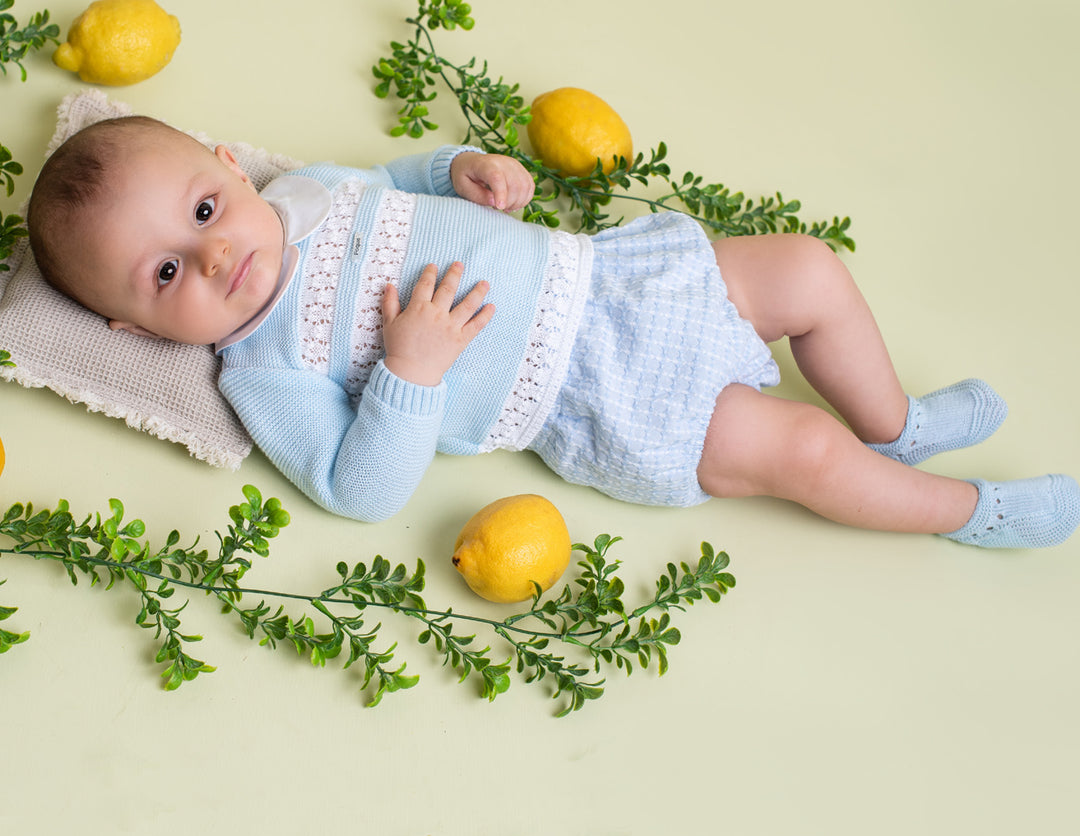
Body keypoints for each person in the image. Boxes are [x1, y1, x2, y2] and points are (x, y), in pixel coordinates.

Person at [26, 115, 1079, 546]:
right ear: (135, 324)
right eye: (167, 273)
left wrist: (456, 175)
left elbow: (398, 185)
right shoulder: (265, 365)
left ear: (224, 164)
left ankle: (894, 425)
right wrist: (410, 371)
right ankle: (964, 512)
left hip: (620, 284)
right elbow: (359, 491)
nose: (212, 257)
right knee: (799, 449)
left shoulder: (303, 192)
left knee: (806, 265)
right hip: (600, 396)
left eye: (205, 212)